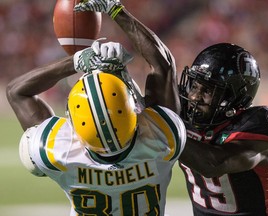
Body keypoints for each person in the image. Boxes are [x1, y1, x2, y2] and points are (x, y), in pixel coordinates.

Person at [74, 0, 268, 215]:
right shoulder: (184, 108)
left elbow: (214, 163)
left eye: (208, 91)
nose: (195, 96)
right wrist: (116, 10)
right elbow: (162, 63)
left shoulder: (259, 124)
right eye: (195, 85)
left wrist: (158, 125)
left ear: (235, 98)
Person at [6, 41, 186, 215]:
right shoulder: (165, 138)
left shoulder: (56, 151)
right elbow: (163, 66)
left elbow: (16, 91)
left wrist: (76, 61)